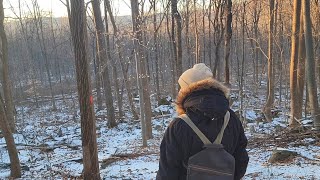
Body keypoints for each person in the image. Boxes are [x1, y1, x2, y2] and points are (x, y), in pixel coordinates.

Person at [156, 63, 249, 180]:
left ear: (186, 90)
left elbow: (167, 172)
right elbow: (241, 161)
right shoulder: (232, 119)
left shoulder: (178, 125)